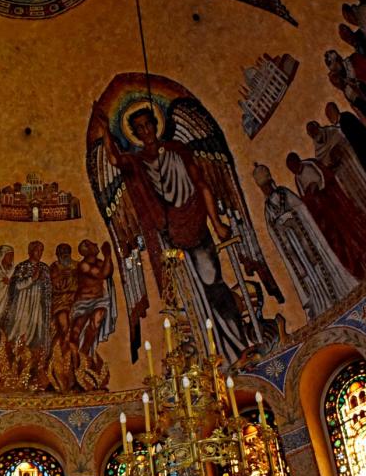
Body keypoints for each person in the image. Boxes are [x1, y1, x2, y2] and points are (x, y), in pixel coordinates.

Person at [93, 105, 250, 362]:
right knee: (190, 295)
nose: (146, 131)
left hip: (197, 228)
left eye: (148, 124)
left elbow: (201, 184)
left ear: (157, 125)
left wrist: (218, 222)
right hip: (170, 235)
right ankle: (208, 355)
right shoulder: (138, 161)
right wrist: (105, 132)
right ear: (135, 133)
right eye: (140, 128)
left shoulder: (178, 151)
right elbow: (113, 160)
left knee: (214, 285)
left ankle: (238, 345)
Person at [253, 164, 355, 319]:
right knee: (307, 276)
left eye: (266, 185)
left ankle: (335, 294)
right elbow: (272, 231)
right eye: (263, 188)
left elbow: (302, 209)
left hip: (305, 241)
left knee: (319, 267)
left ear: (270, 181)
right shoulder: (268, 208)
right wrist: (280, 225)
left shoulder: (284, 193)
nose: (265, 190)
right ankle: (321, 304)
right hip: (294, 250)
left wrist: (291, 216)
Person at [70, 240, 116, 357]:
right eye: (92, 244)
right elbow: (101, 274)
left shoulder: (100, 262)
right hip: (83, 302)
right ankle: (73, 357)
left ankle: (84, 355)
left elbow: (108, 272)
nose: (96, 244)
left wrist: (107, 257)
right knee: (76, 331)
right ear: (87, 250)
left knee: (96, 321)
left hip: (99, 300)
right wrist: (107, 255)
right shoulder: (83, 265)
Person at [5, 241, 52, 354]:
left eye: (41, 250)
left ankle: (34, 356)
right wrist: (32, 279)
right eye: (37, 250)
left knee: (37, 330)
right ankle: (16, 354)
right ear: (30, 251)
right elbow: (16, 285)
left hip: (38, 306)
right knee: (21, 328)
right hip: (23, 304)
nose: (40, 253)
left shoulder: (44, 268)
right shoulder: (22, 266)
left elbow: (49, 287)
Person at [49, 243, 77, 343]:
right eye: (62, 252)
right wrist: (61, 276)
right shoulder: (54, 267)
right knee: (64, 325)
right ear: (57, 254)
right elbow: (50, 284)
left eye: (66, 251)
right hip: (60, 301)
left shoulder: (77, 266)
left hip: (75, 299)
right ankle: (60, 349)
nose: (64, 254)